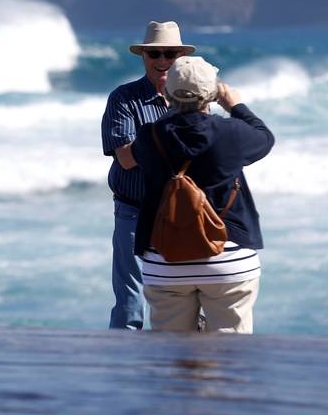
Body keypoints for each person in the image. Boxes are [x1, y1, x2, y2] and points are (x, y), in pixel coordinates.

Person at [127, 56, 274, 333]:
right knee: (229, 358)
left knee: (172, 358)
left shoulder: (150, 137)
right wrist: (235, 105)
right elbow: (265, 138)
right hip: (228, 259)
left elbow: (154, 144)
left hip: (165, 262)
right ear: (212, 93)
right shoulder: (232, 133)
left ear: (167, 92)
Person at [101, 21, 195, 329]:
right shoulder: (123, 98)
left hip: (179, 215)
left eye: (169, 54)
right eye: (154, 54)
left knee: (181, 300)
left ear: (180, 56)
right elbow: (126, 158)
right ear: (143, 57)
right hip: (134, 212)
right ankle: (125, 368)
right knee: (131, 301)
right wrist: (170, 139)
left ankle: (171, 368)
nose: (162, 61)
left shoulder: (192, 101)